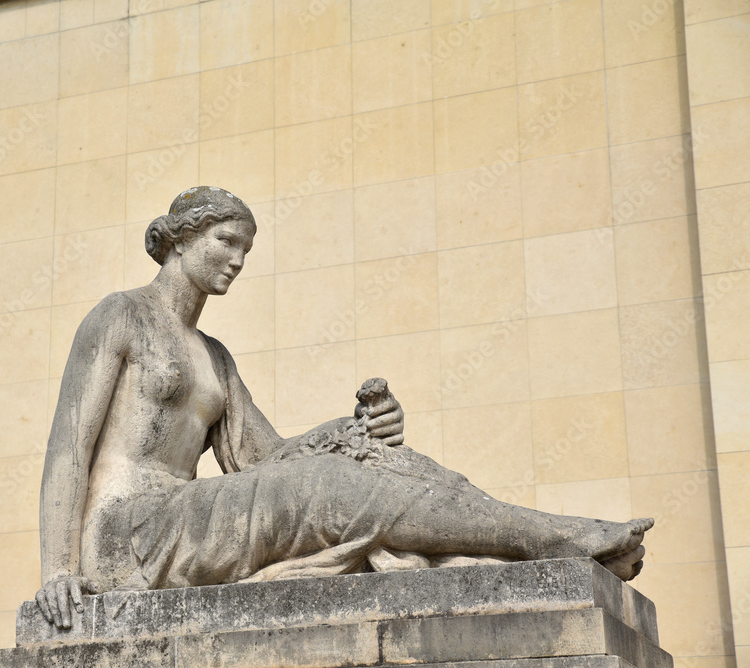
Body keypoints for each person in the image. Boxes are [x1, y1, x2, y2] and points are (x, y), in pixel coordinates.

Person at [34, 186, 651, 629]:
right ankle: (555, 540)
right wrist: (59, 571)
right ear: (181, 239)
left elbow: (268, 460)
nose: (238, 260)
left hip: (189, 521)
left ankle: (535, 539)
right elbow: (69, 449)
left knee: (376, 461)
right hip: (127, 534)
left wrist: (360, 430)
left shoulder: (215, 358)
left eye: (246, 249)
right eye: (226, 241)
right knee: (326, 487)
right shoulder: (122, 316)